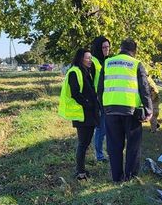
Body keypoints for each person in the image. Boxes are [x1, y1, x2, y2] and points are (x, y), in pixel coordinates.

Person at [97, 38, 153, 182]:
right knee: (133, 145)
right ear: (134, 51)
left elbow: (100, 88)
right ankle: (130, 177)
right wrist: (148, 109)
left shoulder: (108, 63)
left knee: (114, 146)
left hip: (110, 110)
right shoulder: (136, 64)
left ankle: (117, 178)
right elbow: (144, 89)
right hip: (131, 112)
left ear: (121, 48)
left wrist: (103, 107)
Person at [58, 48, 100, 180]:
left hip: (88, 113)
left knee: (86, 143)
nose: (90, 60)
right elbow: (75, 93)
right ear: (81, 58)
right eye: (88, 58)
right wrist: (87, 104)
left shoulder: (86, 71)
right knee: (83, 143)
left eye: (91, 58)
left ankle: (82, 170)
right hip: (82, 114)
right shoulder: (74, 72)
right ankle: (80, 172)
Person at [90, 36, 111, 162]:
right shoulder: (93, 62)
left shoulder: (108, 61)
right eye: (103, 47)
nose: (106, 50)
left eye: (108, 47)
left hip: (108, 99)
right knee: (100, 128)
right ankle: (99, 156)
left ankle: (103, 153)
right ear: (98, 48)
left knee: (106, 128)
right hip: (98, 100)